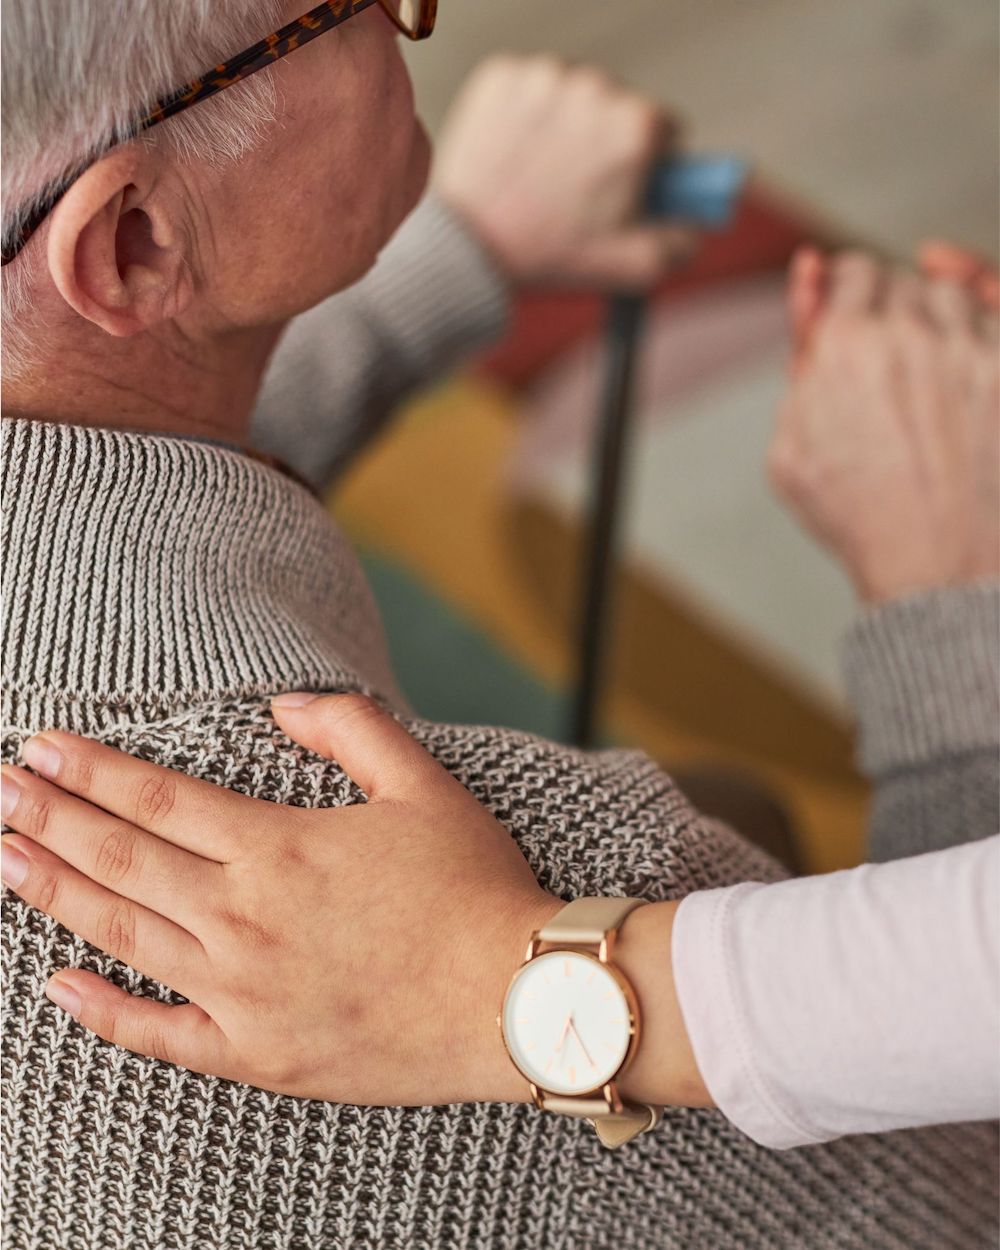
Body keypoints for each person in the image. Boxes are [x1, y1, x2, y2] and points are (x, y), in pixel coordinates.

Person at [1, 5, 996, 1250]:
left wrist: (455, 254)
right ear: (136, 241)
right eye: (344, 10)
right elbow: (956, 1182)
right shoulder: (471, 867)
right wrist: (952, 607)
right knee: (744, 809)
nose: (416, 26)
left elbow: (99, 480)